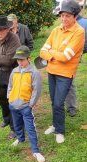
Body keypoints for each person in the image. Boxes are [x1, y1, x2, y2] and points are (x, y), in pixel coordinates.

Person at [40, 0, 84, 143]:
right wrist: (54, 54)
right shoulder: (56, 30)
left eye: (68, 16)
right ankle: (55, 124)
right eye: (62, 15)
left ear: (75, 17)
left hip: (65, 74)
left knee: (59, 103)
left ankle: (60, 131)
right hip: (52, 70)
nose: (64, 19)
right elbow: (42, 51)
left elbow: (66, 57)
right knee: (54, 101)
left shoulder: (79, 32)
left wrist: (50, 52)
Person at [8, 45, 45, 162]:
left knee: (30, 128)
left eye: (22, 59)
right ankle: (20, 138)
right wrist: (10, 98)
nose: (20, 62)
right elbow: (10, 86)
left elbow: (37, 90)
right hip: (13, 105)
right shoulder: (14, 71)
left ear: (29, 58)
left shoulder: (34, 73)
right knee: (17, 124)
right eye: (18, 60)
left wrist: (30, 104)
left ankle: (35, 150)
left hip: (25, 107)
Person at [0, 16, 21, 139]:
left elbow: (9, 61)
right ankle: (6, 119)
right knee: (2, 99)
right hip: (1, 73)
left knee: (12, 101)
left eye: (1, 30)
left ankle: (15, 128)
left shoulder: (14, 39)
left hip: (13, 73)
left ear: (7, 29)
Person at [65, 6, 87, 117]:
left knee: (69, 80)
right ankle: (67, 105)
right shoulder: (65, 25)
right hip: (63, 56)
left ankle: (71, 106)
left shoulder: (83, 24)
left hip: (73, 57)